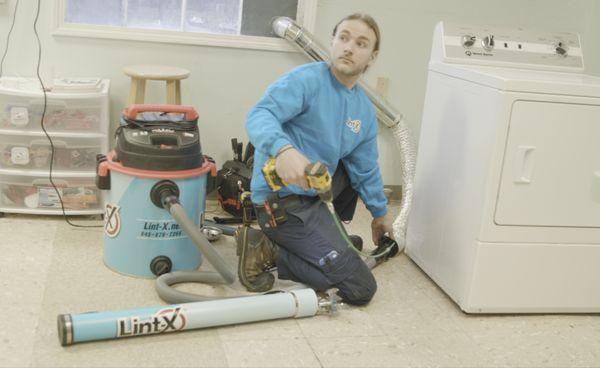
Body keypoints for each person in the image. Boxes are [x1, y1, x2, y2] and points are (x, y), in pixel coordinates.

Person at [237, 13, 393, 305]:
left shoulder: (363, 110)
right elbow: (260, 115)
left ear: (372, 57)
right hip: (280, 202)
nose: (349, 48)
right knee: (360, 288)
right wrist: (284, 150)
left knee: (353, 245)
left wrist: (380, 214)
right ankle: (267, 250)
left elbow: (366, 168)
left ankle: (312, 247)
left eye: (361, 44)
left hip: (315, 199)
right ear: (332, 42)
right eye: (343, 38)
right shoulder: (305, 81)